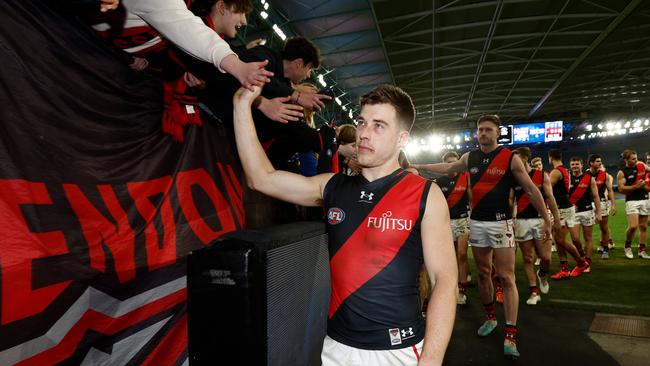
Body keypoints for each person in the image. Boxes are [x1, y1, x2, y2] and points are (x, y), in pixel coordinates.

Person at [233, 84, 457, 365]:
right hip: (336, 347)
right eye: (362, 122)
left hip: (397, 350)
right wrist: (241, 107)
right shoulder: (332, 186)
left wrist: (431, 359)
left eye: (378, 126)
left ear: (402, 138)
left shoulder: (425, 194)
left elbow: (445, 281)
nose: (363, 133)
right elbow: (261, 178)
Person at [412, 114, 551, 359]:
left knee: (506, 277)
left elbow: (530, 188)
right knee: (484, 273)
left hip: (501, 223)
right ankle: (490, 318)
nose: (483, 133)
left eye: (488, 129)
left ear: (498, 133)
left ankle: (510, 333)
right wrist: (421, 167)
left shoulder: (510, 158)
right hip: (476, 223)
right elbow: (448, 167)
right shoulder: (470, 157)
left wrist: (548, 219)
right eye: (480, 130)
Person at [512, 147, 560, 306]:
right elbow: (510, 200)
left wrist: (556, 219)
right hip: (521, 221)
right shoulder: (513, 178)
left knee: (546, 258)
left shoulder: (541, 175)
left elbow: (550, 198)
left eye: (517, 158)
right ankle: (534, 291)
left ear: (525, 158)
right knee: (527, 258)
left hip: (541, 219)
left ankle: (542, 274)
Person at [432, 151, 472, 305]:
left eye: (455, 162)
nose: (452, 165)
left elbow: (471, 198)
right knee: (452, 256)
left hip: (463, 220)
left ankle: (462, 289)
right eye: (449, 163)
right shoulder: (438, 181)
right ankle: (456, 280)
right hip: (446, 222)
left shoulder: (466, 177)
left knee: (462, 254)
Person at [547, 149, 590, 279]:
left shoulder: (556, 172)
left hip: (562, 209)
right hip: (564, 207)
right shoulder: (564, 170)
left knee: (559, 239)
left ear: (550, 158)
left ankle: (581, 262)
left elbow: (545, 188)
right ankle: (564, 269)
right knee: (558, 239)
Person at [568, 156, 602, 268]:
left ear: (582, 165)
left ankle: (588, 260)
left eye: (577, 164)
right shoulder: (567, 179)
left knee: (588, 238)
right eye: (573, 164)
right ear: (570, 166)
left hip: (587, 211)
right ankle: (582, 256)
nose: (575, 166)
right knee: (575, 239)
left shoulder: (589, 178)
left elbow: (596, 197)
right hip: (573, 213)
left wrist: (598, 213)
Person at [617, 150, 650, 259]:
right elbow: (621, 189)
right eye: (633, 159)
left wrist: (647, 182)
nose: (636, 160)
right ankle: (627, 247)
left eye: (636, 158)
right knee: (633, 226)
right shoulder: (622, 172)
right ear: (626, 160)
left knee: (643, 227)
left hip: (644, 198)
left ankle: (642, 250)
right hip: (631, 200)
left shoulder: (641, 165)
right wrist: (635, 187)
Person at [588, 154, 617, 259]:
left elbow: (610, 190)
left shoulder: (605, 175)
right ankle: (587, 252)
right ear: (591, 163)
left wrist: (613, 204)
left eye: (600, 161)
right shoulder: (585, 174)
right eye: (597, 161)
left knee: (604, 228)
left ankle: (605, 249)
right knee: (588, 230)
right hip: (588, 204)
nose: (600, 163)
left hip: (602, 203)